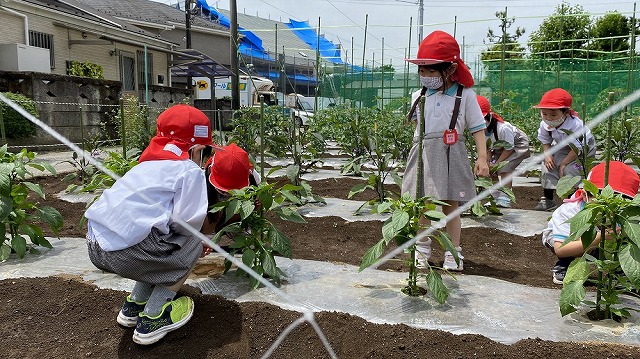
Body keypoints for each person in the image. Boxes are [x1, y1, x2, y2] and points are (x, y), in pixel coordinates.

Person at [84, 104, 217, 345]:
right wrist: (197, 243)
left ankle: (133, 306)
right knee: (190, 244)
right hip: (129, 253)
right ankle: (154, 317)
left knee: (156, 243)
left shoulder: (144, 166)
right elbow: (188, 222)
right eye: (205, 152)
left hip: (95, 245)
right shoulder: (189, 171)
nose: (205, 158)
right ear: (196, 148)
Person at [402, 30, 489, 271]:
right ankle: (422, 249)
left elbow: (477, 127)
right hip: (425, 154)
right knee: (425, 204)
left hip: (453, 152)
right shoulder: (417, 96)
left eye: (431, 70)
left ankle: (453, 252)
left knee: (452, 205)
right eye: (422, 70)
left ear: (450, 69)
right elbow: (418, 130)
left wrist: (482, 158)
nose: (425, 76)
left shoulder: (466, 95)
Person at [542, 161, 640, 284]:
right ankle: (565, 265)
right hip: (564, 241)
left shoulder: (628, 214)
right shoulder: (570, 211)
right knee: (583, 235)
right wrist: (600, 237)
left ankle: (619, 271)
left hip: (604, 240)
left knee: (630, 240)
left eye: (621, 199)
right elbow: (561, 249)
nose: (609, 206)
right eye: (601, 198)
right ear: (584, 194)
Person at [534, 88, 596, 211]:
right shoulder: (545, 124)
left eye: (553, 114)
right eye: (544, 114)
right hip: (565, 146)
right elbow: (545, 141)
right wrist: (548, 155)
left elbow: (578, 147)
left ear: (565, 113)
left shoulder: (575, 125)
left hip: (583, 148)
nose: (548, 118)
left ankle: (571, 203)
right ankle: (548, 200)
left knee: (570, 170)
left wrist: (564, 163)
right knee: (548, 166)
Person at [477, 95, 530, 208]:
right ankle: (495, 197)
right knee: (490, 170)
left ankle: (505, 198)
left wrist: (497, 163)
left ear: (489, 117)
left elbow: (509, 148)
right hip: (498, 147)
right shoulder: (478, 132)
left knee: (504, 168)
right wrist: (489, 161)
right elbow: (487, 148)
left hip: (516, 144)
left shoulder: (502, 128)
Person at [200, 143, 262, 235]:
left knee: (241, 221)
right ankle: (213, 233)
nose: (226, 193)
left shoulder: (253, 176)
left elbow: (258, 198)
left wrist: (256, 205)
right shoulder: (202, 178)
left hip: (238, 208)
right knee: (209, 224)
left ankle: (235, 230)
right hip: (213, 203)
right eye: (223, 190)